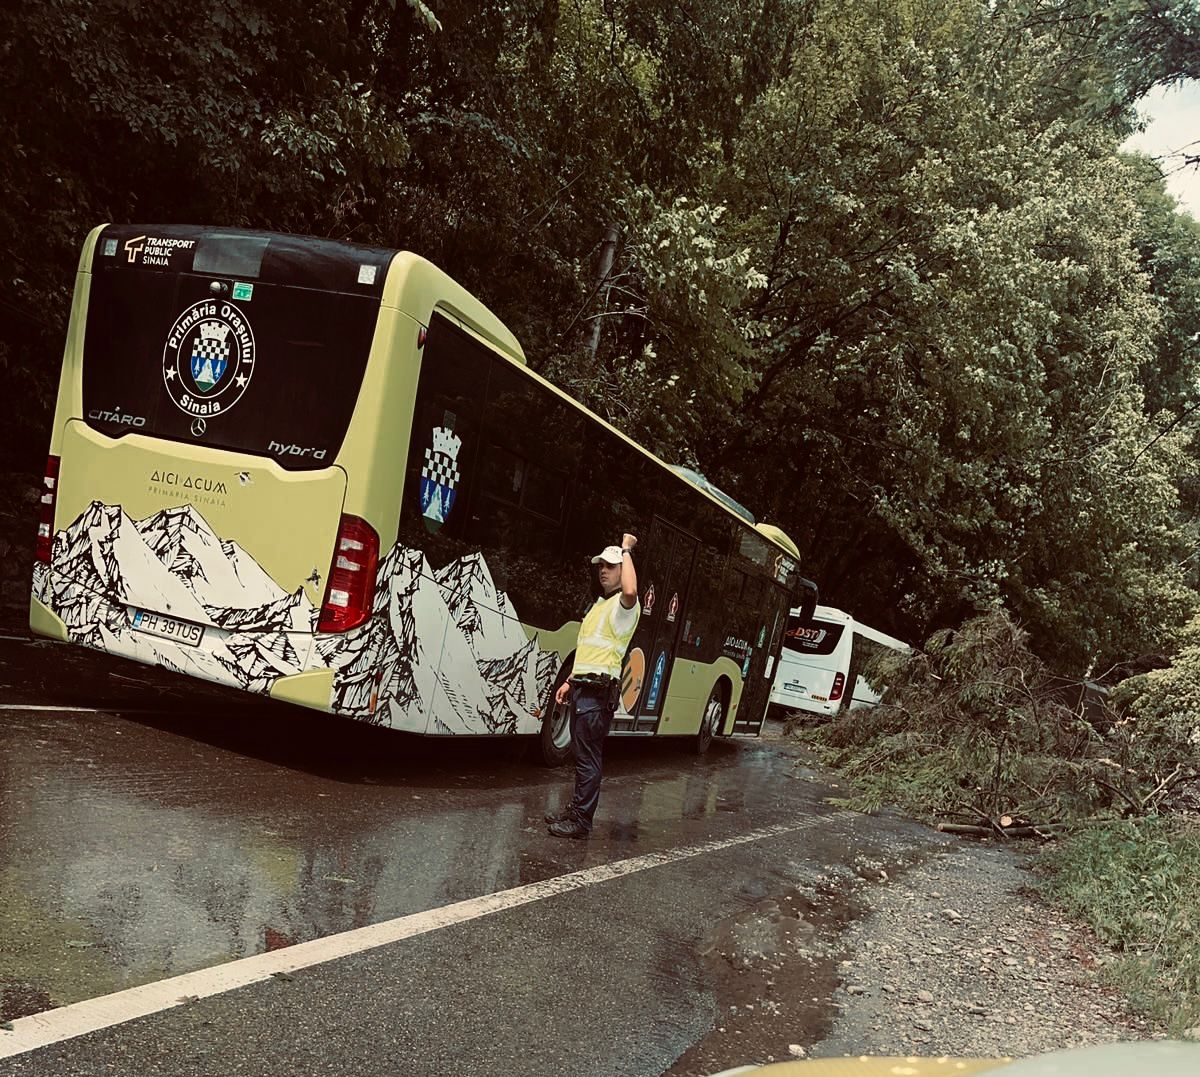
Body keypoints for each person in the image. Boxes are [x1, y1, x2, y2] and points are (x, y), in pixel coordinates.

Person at [546, 533, 640, 839]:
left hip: (597, 696)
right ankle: (576, 812)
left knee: (587, 758)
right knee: (582, 755)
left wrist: (626, 550)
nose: (603, 570)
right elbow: (591, 653)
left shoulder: (623, 608)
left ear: (622, 567)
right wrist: (570, 682)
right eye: (601, 565)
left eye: (611, 565)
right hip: (585, 690)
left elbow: (631, 588)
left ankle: (581, 821)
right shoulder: (601, 606)